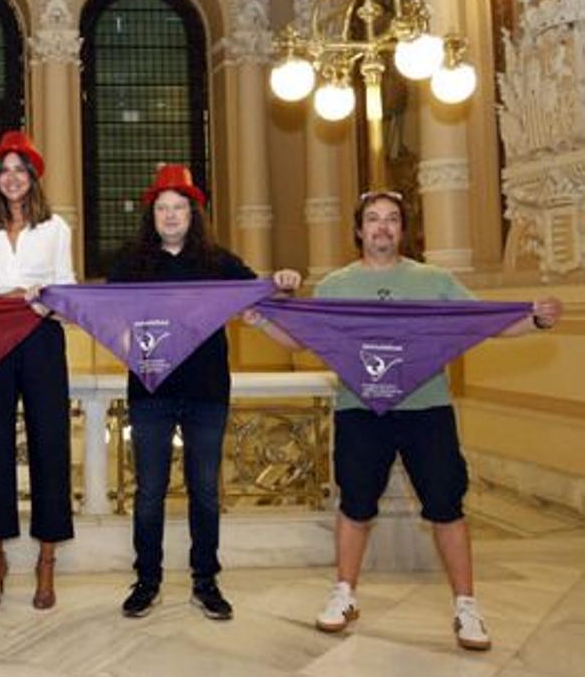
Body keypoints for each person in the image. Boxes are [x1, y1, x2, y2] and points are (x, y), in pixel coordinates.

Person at [254, 189, 563, 651]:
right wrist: (258, 320)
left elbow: (487, 323)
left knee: (446, 505)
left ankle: (466, 606)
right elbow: (300, 339)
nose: (382, 227)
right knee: (355, 504)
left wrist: (535, 320)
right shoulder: (336, 285)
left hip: (427, 410)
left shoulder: (435, 280)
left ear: (403, 229)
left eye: (392, 219)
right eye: (373, 219)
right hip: (360, 410)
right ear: (359, 230)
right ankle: (344, 593)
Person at [108, 164, 300, 621]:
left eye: (179, 208)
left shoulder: (219, 262)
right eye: (162, 208)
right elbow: (105, 315)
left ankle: (205, 581)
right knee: (149, 491)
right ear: (151, 214)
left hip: (207, 392)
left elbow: (261, 298)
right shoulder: (130, 263)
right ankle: (147, 581)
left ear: (193, 214)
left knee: (206, 492)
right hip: (150, 392)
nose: (171, 216)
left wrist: (284, 283)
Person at [0, 129, 75, 610]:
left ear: (32, 178)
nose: (12, 178)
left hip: (41, 338)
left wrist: (32, 303)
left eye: (19, 170)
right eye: (4, 171)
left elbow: (63, 289)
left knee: (50, 445)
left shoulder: (56, 229)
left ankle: (45, 564)